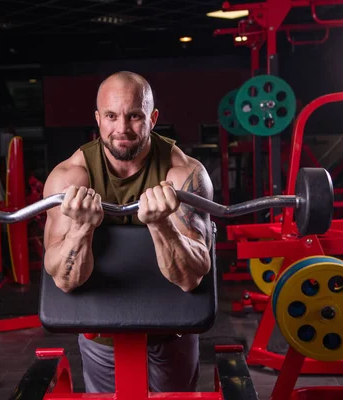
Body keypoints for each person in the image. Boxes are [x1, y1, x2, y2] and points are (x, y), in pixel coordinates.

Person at [42, 71, 214, 393]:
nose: (121, 129)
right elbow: (64, 281)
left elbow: (192, 277)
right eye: (111, 116)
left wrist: (162, 224)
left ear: (153, 118)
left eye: (134, 116)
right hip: (100, 335)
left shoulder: (185, 174)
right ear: (97, 118)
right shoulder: (69, 177)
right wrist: (81, 228)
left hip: (172, 332)